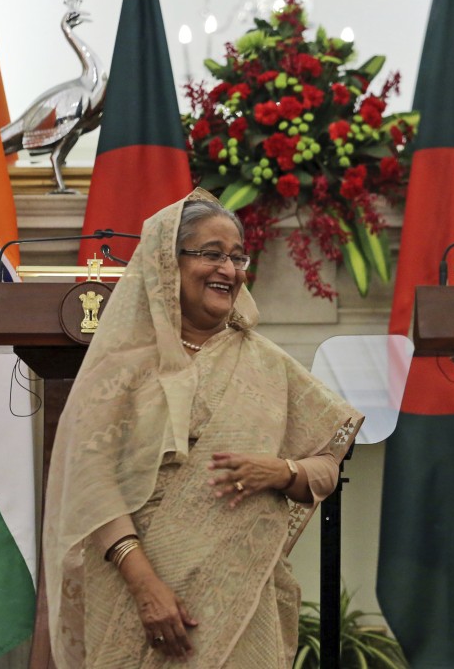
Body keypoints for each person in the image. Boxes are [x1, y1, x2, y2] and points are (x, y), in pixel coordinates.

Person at [43, 188, 362, 668]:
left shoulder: (267, 363)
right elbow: (90, 482)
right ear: (167, 264)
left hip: (241, 605)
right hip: (133, 600)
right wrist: (145, 585)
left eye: (237, 257)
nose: (229, 270)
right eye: (211, 254)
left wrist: (281, 471)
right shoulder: (123, 366)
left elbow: (327, 464)